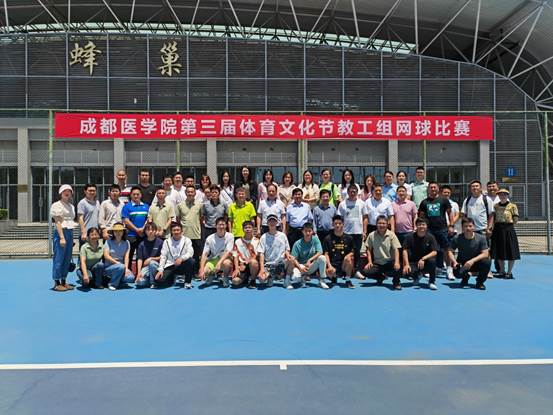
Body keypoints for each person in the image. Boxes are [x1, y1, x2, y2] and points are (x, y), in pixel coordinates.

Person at [418, 181, 454, 280]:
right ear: (428, 189)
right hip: (429, 230)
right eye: (431, 187)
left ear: (438, 189)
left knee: (446, 249)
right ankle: (428, 269)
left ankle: (449, 269)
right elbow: (421, 216)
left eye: (435, 187)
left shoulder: (444, 200)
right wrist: (421, 228)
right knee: (429, 250)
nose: (433, 189)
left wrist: (451, 225)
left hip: (442, 229)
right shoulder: (424, 202)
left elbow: (450, 213)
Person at [358, 215, 402, 289]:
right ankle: (380, 277)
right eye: (379, 223)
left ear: (387, 224)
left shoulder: (392, 235)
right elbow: (368, 249)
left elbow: (396, 249)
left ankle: (396, 283)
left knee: (398, 266)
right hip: (377, 263)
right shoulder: (371, 235)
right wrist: (370, 262)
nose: (381, 225)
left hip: (389, 262)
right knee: (365, 271)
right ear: (376, 224)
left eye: (383, 223)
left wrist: (397, 262)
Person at [447, 218, 491, 290]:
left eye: (470, 226)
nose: (468, 228)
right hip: (463, 263)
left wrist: (472, 261)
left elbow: (485, 254)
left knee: (487, 262)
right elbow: (450, 251)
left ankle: (480, 282)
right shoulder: (457, 238)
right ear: (462, 227)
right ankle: (465, 277)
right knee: (457, 274)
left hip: (477, 262)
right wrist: (454, 262)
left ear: (474, 227)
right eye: (465, 226)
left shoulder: (481, 238)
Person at [50, 184, 77, 292]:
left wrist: (71, 238)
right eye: (64, 191)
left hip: (69, 232)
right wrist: (62, 237)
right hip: (61, 232)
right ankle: (56, 283)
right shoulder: (56, 205)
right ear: (60, 193)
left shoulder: (71, 206)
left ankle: (64, 281)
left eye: (69, 191)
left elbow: (71, 222)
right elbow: (58, 222)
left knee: (67, 258)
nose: (67, 193)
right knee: (59, 258)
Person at [155, 222, 196, 289]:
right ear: (171, 231)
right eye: (174, 230)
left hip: (182, 264)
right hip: (170, 265)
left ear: (181, 231)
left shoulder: (187, 240)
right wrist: (160, 270)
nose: (176, 232)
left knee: (191, 261)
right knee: (159, 281)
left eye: (178, 230)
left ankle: (187, 282)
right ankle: (172, 278)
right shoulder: (166, 242)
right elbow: (163, 256)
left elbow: (190, 253)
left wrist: (181, 258)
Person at [289, 222, 329, 290]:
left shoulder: (315, 239)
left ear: (312, 231)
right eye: (306, 231)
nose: (308, 233)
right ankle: (302, 278)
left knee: (322, 258)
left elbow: (320, 252)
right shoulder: (297, 243)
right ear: (302, 231)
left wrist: (310, 260)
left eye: (309, 231)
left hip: (311, 266)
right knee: (294, 278)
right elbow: (294, 259)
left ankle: (322, 280)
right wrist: (300, 268)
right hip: (301, 266)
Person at [402, 218, 439, 290]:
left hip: (426, 261)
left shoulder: (431, 237)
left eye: (423, 224)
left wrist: (423, 259)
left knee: (432, 261)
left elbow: (434, 251)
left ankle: (431, 282)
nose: (421, 226)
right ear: (416, 226)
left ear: (426, 226)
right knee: (406, 272)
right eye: (419, 225)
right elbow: (404, 250)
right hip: (413, 261)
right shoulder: (410, 237)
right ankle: (417, 276)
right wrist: (406, 264)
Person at [490, 188, 520, 279]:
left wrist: (509, 225)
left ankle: (509, 272)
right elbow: (493, 218)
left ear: (507, 195)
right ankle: (502, 271)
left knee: (511, 250)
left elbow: (515, 219)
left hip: (508, 229)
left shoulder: (512, 206)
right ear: (498, 196)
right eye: (500, 194)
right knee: (499, 250)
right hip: (498, 229)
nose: (502, 196)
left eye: (504, 194)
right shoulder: (495, 206)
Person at [257, 214, 292, 287]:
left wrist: (287, 254)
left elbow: (287, 249)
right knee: (261, 279)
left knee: (292, 259)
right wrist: (262, 269)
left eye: (274, 221)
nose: (272, 223)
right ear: (267, 223)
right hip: (269, 264)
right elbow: (261, 254)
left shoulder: (283, 235)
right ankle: (271, 277)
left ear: (277, 223)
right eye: (270, 221)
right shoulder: (263, 237)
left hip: (280, 263)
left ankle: (286, 281)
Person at [199, 217, 234, 288]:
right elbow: (204, 254)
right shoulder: (209, 238)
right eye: (219, 225)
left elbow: (228, 252)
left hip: (225, 259)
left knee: (227, 263)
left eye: (223, 224)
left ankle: (225, 277)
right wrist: (201, 269)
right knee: (205, 271)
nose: (221, 226)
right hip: (213, 259)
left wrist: (219, 263)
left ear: (226, 226)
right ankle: (212, 274)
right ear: (215, 226)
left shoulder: (230, 236)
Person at [337, 185, 366, 270]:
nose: (352, 193)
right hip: (346, 232)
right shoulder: (342, 204)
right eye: (351, 191)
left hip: (358, 232)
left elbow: (365, 218)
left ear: (357, 192)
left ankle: (356, 270)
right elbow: (339, 219)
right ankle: (344, 270)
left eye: (354, 191)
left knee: (357, 252)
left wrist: (364, 231)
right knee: (345, 252)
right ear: (347, 192)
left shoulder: (362, 203)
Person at [323, 215, 355, 288]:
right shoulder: (327, 238)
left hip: (344, 265)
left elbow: (353, 251)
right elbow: (326, 254)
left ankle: (348, 280)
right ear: (332, 224)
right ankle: (334, 277)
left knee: (349, 259)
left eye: (340, 223)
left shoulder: (349, 238)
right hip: (333, 265)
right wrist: (329, 266)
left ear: (343, 224)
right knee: (329, 272)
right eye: (335, 223)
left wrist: (348, 255)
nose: (337, 225)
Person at [121, 186, 149, 268]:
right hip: (131, 236)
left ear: (141, 195)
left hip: (143, 235)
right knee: (129, 255)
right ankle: (128, 272)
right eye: (134, 194)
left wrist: (143, 229)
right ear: (131, 195)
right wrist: (137, 230)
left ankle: (140, 273)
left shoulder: (146, 206)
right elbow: (126, 221)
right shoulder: (127, 206)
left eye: (138, 194)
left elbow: (148, 219)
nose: (136, 196)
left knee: (141, 255)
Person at [176, 185, 203, 269]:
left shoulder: (199, 205)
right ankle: (185, 271)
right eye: (188, 192)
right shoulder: (180, 205)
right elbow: (178, 219)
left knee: (196, 255)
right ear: (185, 193)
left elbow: (201, 218)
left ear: (195, 193)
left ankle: (195, 271)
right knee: (184, 255)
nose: (190, 193)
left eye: (192, 192)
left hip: (196, 234)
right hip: (184, 235)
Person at [103, 222, 135, 291]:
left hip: (121, 267)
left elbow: (126, 257)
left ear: (123, 232)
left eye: (120, 230)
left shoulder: (127, 242)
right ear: (113, 232)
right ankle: (112, 284)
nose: (118, 232)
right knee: (120, 267)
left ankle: (115, 280)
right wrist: (117, 263)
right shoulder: (108, 241)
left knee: (131, 278)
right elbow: (106, 256)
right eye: (116, 231)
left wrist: (126, 269)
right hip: (109, 267)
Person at [135, 222, 164, 288]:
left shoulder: (160, 242)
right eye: (148, 230)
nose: (150, 231)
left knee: (152, 263)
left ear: (155, 231)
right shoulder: (142, 244)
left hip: (157, 266)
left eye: (152, 230)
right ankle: (149, 279)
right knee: (139, 282)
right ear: (145, 231)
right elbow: (140, 259)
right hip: (146, 267)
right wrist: (139, 273)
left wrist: (151, 259)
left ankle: (153, 283)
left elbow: (163, 257)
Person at [232, 221, 260, 288]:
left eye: (249, 227)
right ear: (243, 229)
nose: (248, 229)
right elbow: (235, 256)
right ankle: (245, 278)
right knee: (235, 281)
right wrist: (236, 268)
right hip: (241, 266)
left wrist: (247, 263)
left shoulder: (257, 241)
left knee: (253, 262)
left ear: (253, 229)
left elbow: (258, 255)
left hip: (253, 265)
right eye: (246, 228)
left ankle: (253, 280)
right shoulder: (237, 241)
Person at [77, 183, 101, 248]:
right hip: (86, 234)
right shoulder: (82, 203)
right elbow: (80, 218)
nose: (92, 192)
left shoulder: (97, 202)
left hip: (95, 233)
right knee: (84, 252)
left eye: (94, 191)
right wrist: (83, 232)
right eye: (90, 191)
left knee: (94, 252)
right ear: (85, 191)